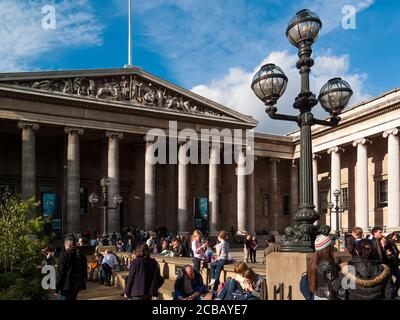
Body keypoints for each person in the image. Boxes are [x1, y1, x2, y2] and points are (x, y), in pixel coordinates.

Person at [308, 234, 344, 300]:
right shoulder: (326, 265)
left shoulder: (314, 262)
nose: (333, 248)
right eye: (331, 245)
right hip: (327, 297)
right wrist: (343, 271)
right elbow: (334, 286)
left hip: (318, 296)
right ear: (327, 249)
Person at [56, 236, 87, 300]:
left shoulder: (64, 255)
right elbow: (84, 272)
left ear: (67, 244)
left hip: (66, 287)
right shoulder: (82, 256)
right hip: (77, 286)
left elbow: (60, 273)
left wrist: (57, 288)